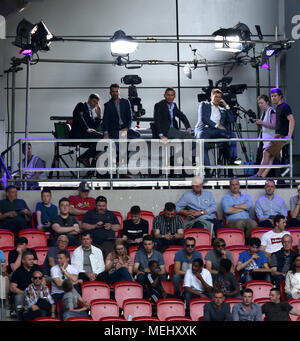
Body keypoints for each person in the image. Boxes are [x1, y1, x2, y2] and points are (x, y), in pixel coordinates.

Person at [194, 88, 237, 175]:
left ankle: (232, 158)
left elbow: (232, 120)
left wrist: (226, 105)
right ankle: (207, 170)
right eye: (215, 96)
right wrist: (217, 125)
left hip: (216, 133)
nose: (217, 98)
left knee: (231, 135)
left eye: (219, 97)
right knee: (203, 143)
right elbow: (204, 118)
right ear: (211, 97)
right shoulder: (204, 104)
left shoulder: (222, 110)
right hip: (204, 130)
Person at [254, 88, 295, 178]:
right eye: (272, 96)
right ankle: (262, 176)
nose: (273, 98)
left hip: (283, 136)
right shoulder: (278, 108)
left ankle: (258, 174)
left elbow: (291, 120)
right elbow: (280, 125)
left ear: (280, 96)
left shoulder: (284, 106)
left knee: (266, 153)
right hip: (279, 135)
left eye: (275, 96)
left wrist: (289, 135)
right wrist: (276, 134)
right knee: (271, 156)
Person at [70, 93, 103, 168]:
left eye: (96, 103)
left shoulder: (91, 112)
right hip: (78, 135)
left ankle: (86, 157)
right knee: (103, 138)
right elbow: (78, 116)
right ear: (89, 99)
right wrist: (87, 129)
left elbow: (93, 127)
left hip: (86, 135)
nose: (95, 104)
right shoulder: (81, 105)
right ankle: (85, 157)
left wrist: (99, 116)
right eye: (94, 101)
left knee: (103, 141)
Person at [10, 251, 42, 319]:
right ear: (23, 261)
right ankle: (20, 316)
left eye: (33, 259)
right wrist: (25, 293)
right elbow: (12, 288)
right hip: (23, 294)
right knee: (18, 297)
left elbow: (43, 280)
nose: (32, 261)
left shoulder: (37, 268)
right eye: (29, 260)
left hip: (36, 292)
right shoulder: (18, 271)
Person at [255, 94, 276, 165]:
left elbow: (274, 125)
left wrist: (262, 123)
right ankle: (260, 175)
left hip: (269, 140)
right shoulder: (264, 113)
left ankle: (261, 175)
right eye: (259, 103)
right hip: (263, 140)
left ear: (267, 102)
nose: (260, 105)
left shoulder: (271, 111)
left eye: (261, 103)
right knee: (260, 160)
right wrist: (260, 124)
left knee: (266, 161)